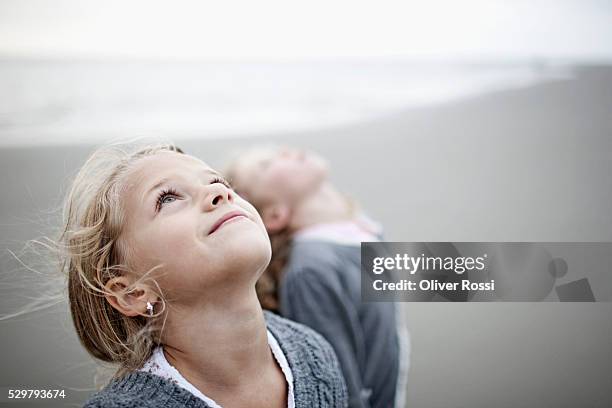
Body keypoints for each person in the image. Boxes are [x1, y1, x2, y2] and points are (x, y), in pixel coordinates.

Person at [57, 142, 347, 407]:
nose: (220, 192)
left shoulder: (314, 352)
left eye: (218, 181)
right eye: (168, 198)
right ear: (132, 292)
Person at [224, 146, 410, 408]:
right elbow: (339, 387)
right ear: (275, 214)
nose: (287, 152)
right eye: (266, 164)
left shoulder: (362, 228)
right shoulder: (310, 272)